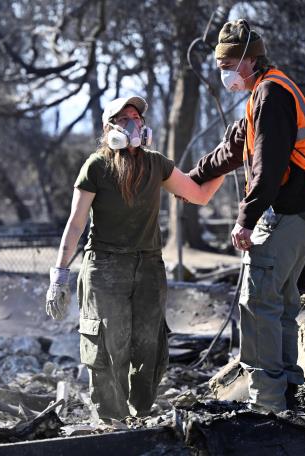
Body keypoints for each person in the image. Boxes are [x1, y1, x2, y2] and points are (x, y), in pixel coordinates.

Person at [45, 95, 223, 421]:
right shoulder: (96, 166)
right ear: (109, 128)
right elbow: (76, 223)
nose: (133, 123)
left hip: (148, 267)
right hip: (105, 266)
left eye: (137, 117)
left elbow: (198, 194)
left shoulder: (156, 163)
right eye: (124, 118)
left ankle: (139, 417)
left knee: (149, 347)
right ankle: (110, 422)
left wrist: (229, 161)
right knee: (107, 346)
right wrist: (60, 273)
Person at [188, 19, 305, 413]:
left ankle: (266, 404)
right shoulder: (260, 96)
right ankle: (286, 393)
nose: (224, 73)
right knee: (281, 300)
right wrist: (188, 179)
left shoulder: (271, 93)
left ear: (251, 60)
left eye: (229, 64)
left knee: (257, 299)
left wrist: (245, 220)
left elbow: (267, 169)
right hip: (304, 210)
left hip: (293, 209)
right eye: (220, 66)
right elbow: (233, 150)